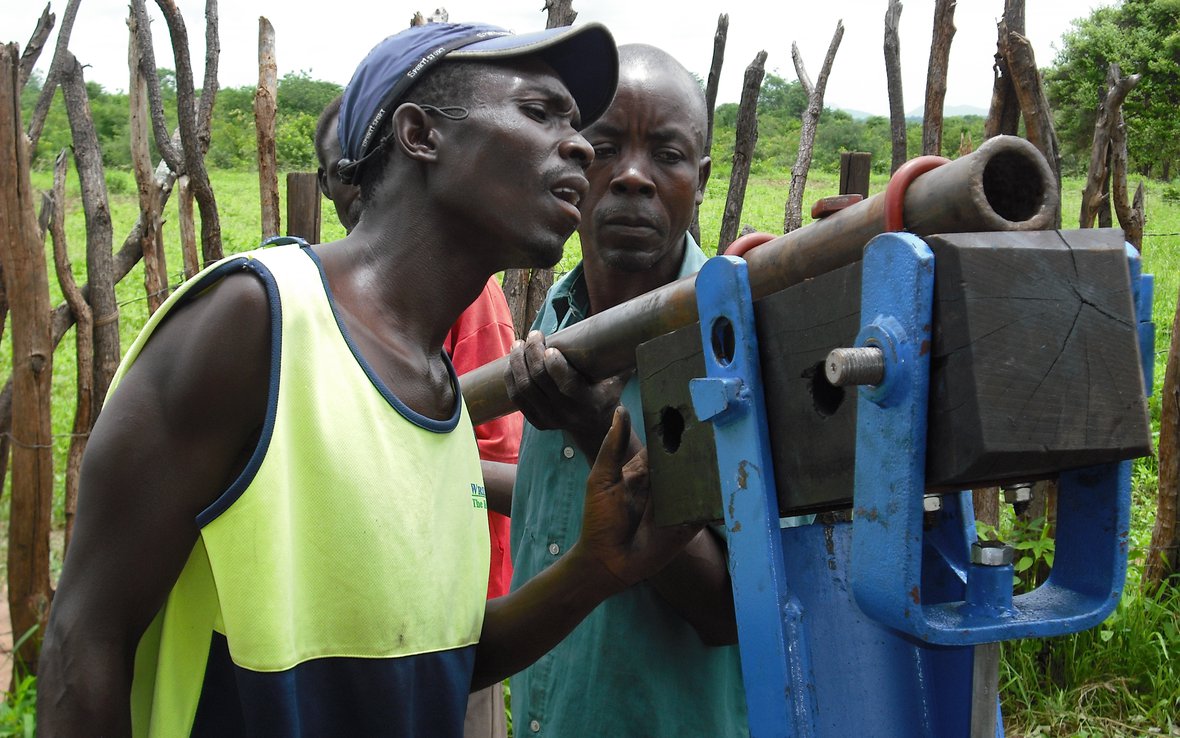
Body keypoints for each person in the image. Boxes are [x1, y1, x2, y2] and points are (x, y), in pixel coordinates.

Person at [37, 22, 700, 737]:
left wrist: (594, 568)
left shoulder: (439, 390)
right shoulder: (257, 324)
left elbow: (433, 660)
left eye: (576, 124)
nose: (576, 144)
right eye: (539, 114)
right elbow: (84, 641)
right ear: (420, 134)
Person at [504, 44, 750, 737]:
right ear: (574, 166)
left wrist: (596, 427)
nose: (633, 178)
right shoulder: (559, 308)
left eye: (666, 156)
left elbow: (731, 610)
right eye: (606, 148)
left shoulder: (739, 342)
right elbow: (546, 495)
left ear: (699, 180)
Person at [313, 93, 520, 738]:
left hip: (454, 605)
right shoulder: (314, 296)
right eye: (339, 169)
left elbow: (500, 456)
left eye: (363, 161)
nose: (355, 181)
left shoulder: (463, 293)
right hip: (351, 613)